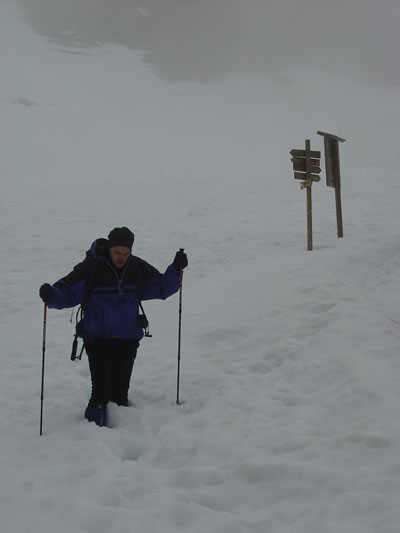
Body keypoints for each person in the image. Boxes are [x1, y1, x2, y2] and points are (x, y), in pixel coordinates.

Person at [39, 227, 188, 427]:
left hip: (127, 339)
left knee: (119, 395)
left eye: (126, 253)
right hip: (97, 338)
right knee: (99, 393)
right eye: (117, 252)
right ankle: (91, 438)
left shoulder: (136, 268)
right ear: (110, 248)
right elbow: (67, 293)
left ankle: (120, 435)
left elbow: (161, 286)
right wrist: (51, 294)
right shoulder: (91, 268)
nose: (121, 257)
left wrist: (175, 269)